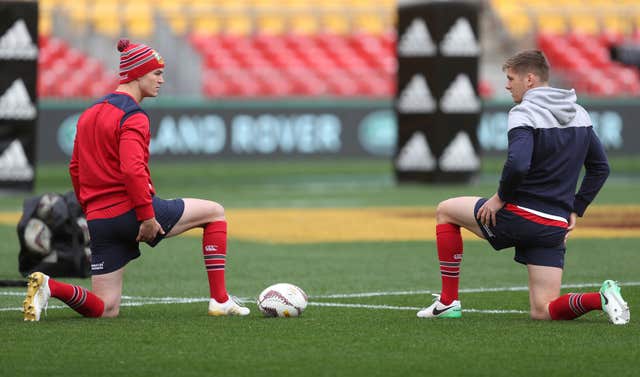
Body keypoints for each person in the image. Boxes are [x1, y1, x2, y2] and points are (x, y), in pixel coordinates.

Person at [23, 39, 249, 321]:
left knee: (106, 309)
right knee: (215, 213)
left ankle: (50, 286)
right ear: (138, 73)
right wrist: (146, 217)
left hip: (100, 221)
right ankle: (220, 300)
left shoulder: (88, 114)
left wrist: (90, 211)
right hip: (134, 213)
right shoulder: (133, 115)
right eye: (156, 73)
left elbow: (75, 169)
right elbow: (132, 170)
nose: (161, 80)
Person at [416, 50, 629, 325]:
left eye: (510, 78)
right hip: (554, 227)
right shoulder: (580, 113)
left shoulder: (523, 112)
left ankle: (447, 302)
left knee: (445, 211)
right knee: (543, 310)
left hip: (520, 216)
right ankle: (601, 298)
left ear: (529, 79)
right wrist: (575, 209)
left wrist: (498, 198)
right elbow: (601, 168)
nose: (507, 85)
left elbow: (518, 165)